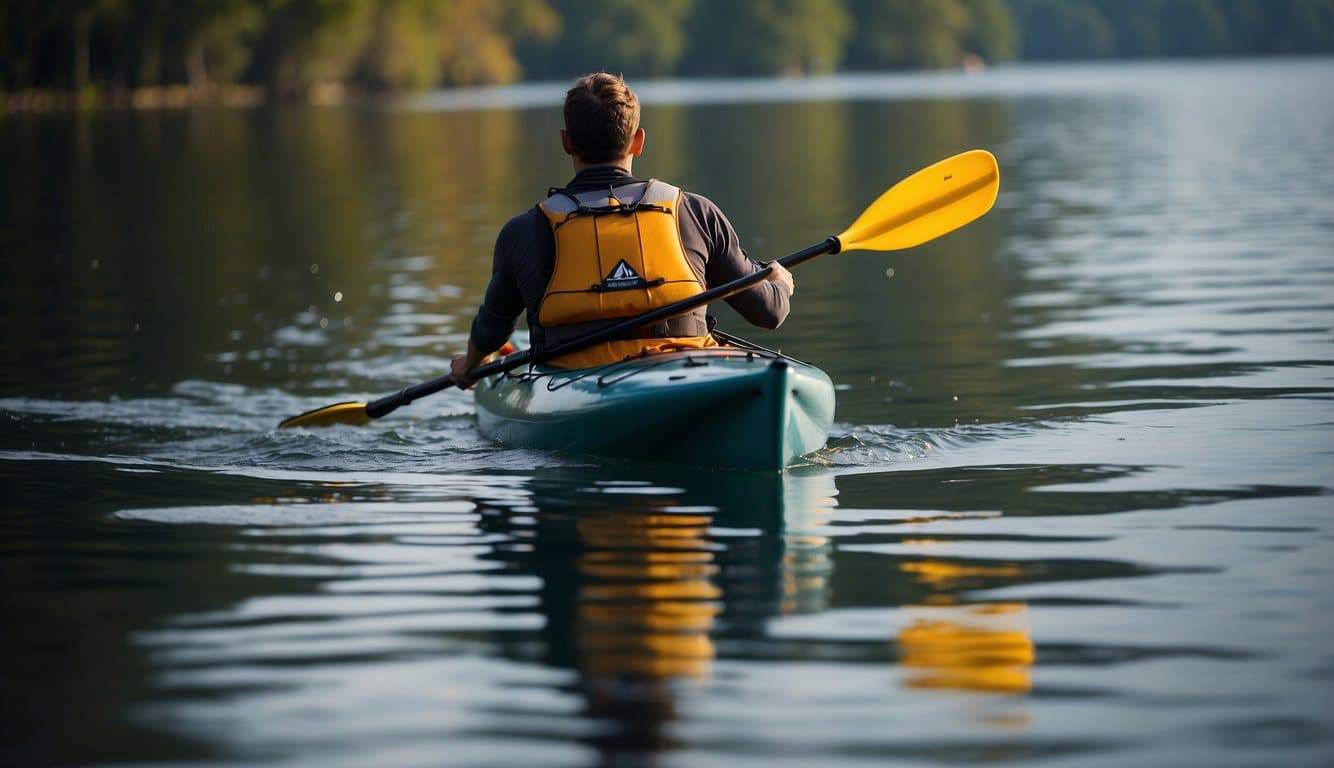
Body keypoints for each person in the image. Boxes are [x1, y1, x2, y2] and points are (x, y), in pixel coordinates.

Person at [450, 72, 794, 388]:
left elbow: (492, 329)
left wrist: (471, 365)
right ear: (638, 141)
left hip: (573, 383)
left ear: (566, 142)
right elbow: (769, 313)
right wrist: (778, 283)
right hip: (690, 373)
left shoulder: (524, 231)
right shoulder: (695, 213)